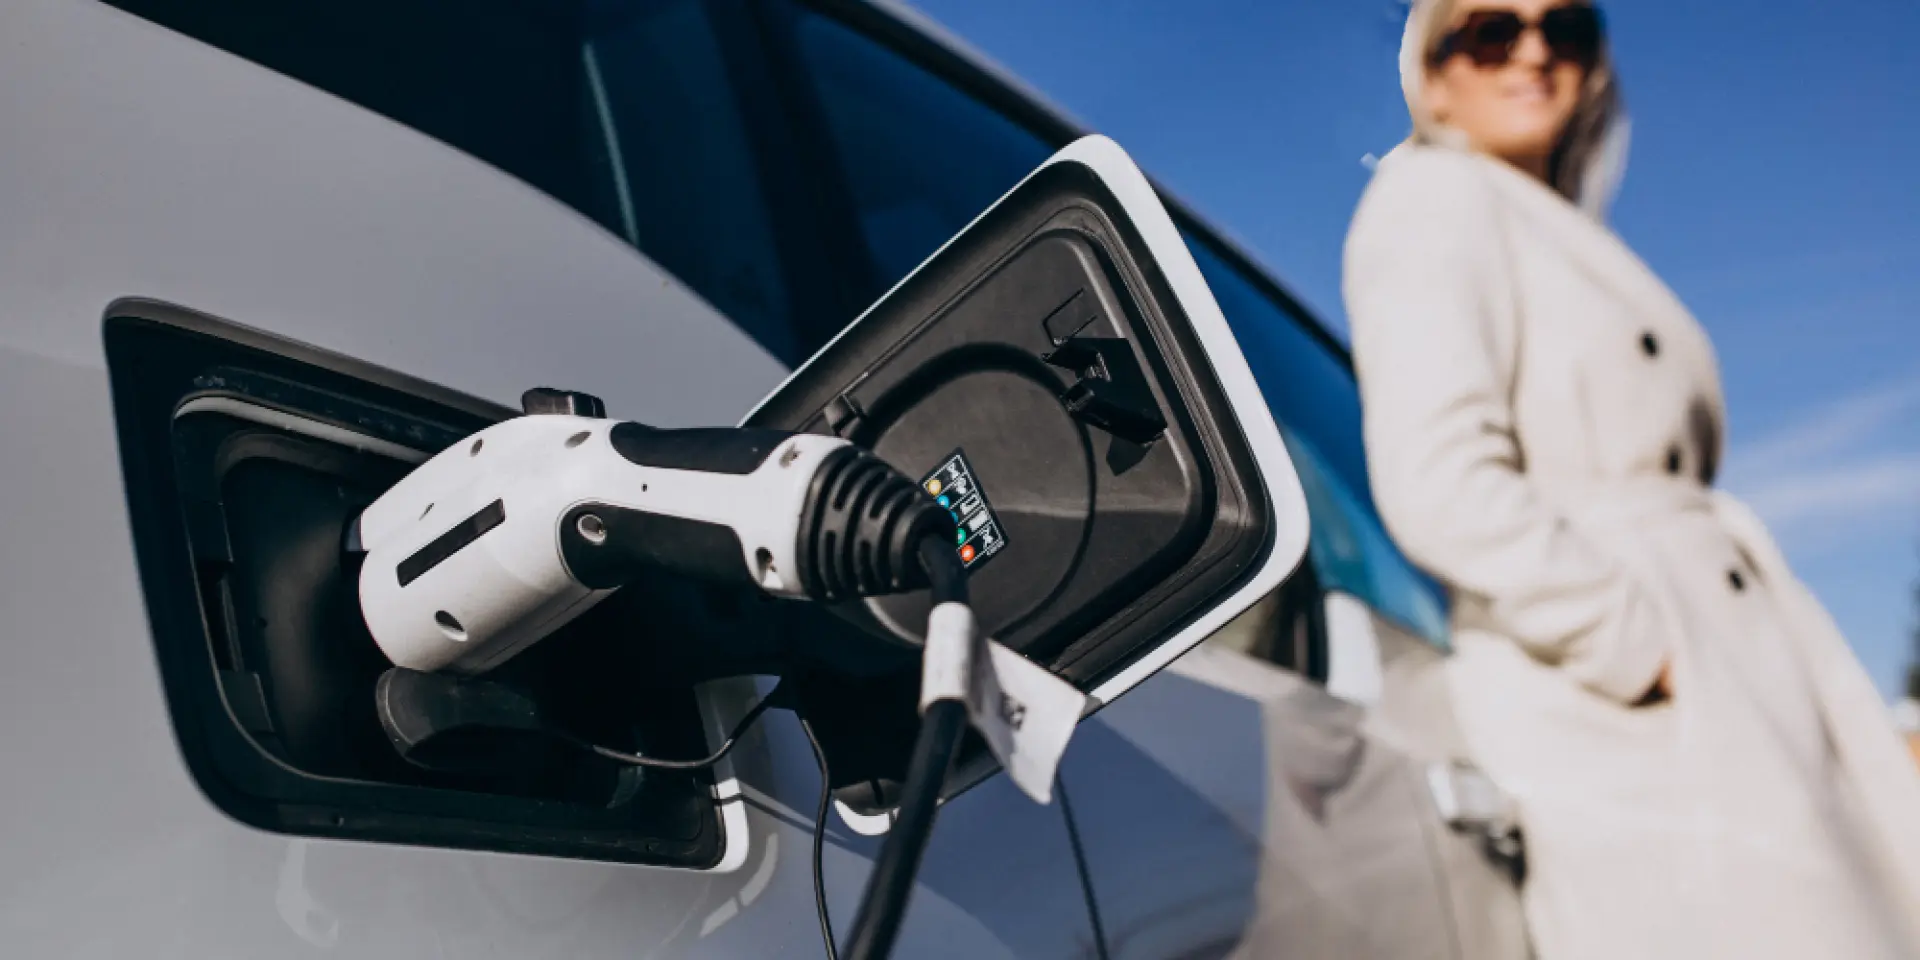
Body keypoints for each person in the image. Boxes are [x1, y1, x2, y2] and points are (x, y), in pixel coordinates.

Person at [1342, 1, 1920, 957]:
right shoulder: (1435, 198)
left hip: (1720, 674)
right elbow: (1439, 479)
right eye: (1493, 31)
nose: (1534, 52)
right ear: (1432, 77)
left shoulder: (1549, 224)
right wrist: (1636, 643)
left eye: (1566, 29)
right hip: (1641, 710)